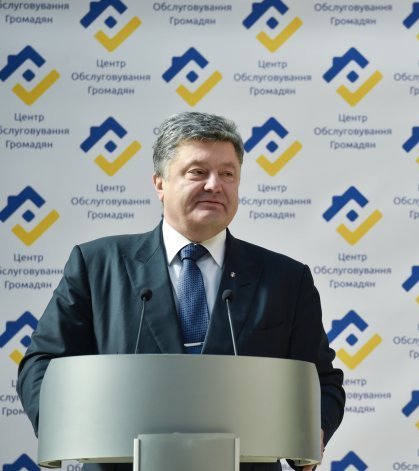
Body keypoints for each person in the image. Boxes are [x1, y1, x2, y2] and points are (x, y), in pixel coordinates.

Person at [16, 111, 345, 471]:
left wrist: (310, 434)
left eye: (228, 174)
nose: (215, 185)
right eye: (197, 172)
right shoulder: (96, 265)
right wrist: (62, 430)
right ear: (160, 183)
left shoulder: (286, 279)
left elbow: (321, 381)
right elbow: (42, 364)